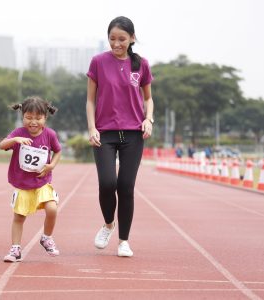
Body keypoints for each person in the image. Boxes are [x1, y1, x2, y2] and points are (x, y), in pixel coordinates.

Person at [86, 16, 154, 257]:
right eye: (112, 38)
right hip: (104, 133)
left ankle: (123, 240)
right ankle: (108, 225)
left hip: (134, 134)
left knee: (126, 187)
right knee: (107, 184)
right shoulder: (98, 62)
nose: (116, 43)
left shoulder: (141, 64)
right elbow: (90, 99)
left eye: (122, 39)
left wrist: (149, 119)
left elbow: (148, 98)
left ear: (132, 39)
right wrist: (92, 127)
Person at [0, 96, 62, 263]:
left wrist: (51, 166)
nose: (33, 122)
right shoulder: (18, 133)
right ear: (23, 117)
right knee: (19, 217)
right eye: (29, 117)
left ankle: (46, 237)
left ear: (45, 118)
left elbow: (58, 151)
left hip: (42, 182)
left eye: (38, 118)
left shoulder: (50, 134)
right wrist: (15, 140)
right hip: (23, 184)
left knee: (52, 209)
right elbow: (2, 145)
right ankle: (15, 249)